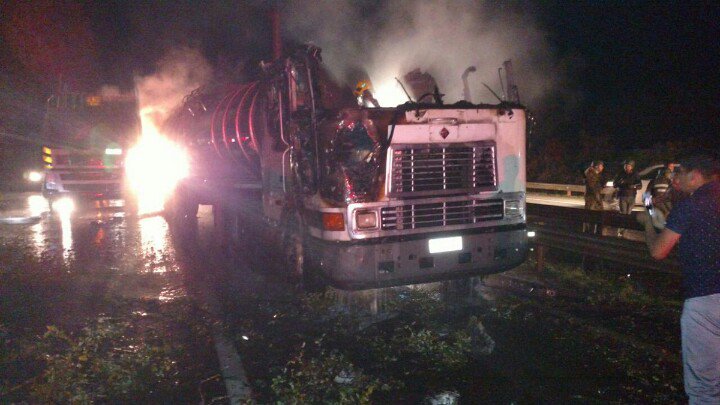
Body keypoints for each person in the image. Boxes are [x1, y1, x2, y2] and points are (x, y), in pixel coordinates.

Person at [637, 155, 720, 404]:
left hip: (704, 301)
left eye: (680, 173)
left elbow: (659, 251)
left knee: (705, 387)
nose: (676, 179)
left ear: (695, 176)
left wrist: (647, 224)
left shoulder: (693, 206)